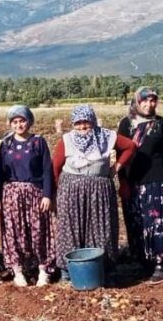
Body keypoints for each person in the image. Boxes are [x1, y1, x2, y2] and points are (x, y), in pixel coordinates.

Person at [52, 105, 136, 274]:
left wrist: (116, 168)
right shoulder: (67, 140)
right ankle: (68, 271)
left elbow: (130, 147)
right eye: (78, 123)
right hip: (71, 190)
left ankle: (103, 269)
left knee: (101, 227)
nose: (82, 127)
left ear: (93, 121)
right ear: (73, 123)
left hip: (99, 190)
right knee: (70, 227)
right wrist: (56, 192)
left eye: (86, 122)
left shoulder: (106, 136)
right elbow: (55, 167)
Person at [117, 87, 163, 284]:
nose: (149, 104)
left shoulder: (161, 124)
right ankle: (143, 262)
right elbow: (120, 155)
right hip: (133, 182)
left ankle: (160, 264)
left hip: (155, 181)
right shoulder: (126, 124)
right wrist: (122, 181)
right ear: (137, 101)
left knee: (156, 222)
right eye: (145, 100)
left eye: (153, 101)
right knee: (136, 222)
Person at [0, 105, 54, 287]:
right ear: (10, 124)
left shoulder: (38, 142)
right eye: (15, 121)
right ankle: (17, 271)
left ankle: (43, 269)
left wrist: (47, 195)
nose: (19, 125)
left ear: (29, 121)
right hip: (11, 196)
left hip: (35, 194)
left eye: (22, 120)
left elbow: (47, 170)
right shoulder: (6, 144)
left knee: (38, 231)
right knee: (14, 233)